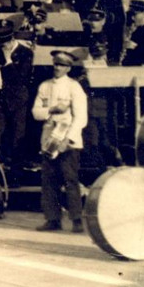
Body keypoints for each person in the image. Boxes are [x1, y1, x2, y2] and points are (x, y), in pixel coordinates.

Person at [31, 50, 88, 233]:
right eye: (56, 64)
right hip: (49, 139)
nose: (58, 68)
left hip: (68, 140)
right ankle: (53, 218)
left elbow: (81, 118)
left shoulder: (74, 87)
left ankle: (76, 219)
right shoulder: (45, 86)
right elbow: (36, 112)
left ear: (69, 68)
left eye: (62, 65)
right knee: (49, 180)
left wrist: (68, 139)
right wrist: (52, 109)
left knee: (70, 180)